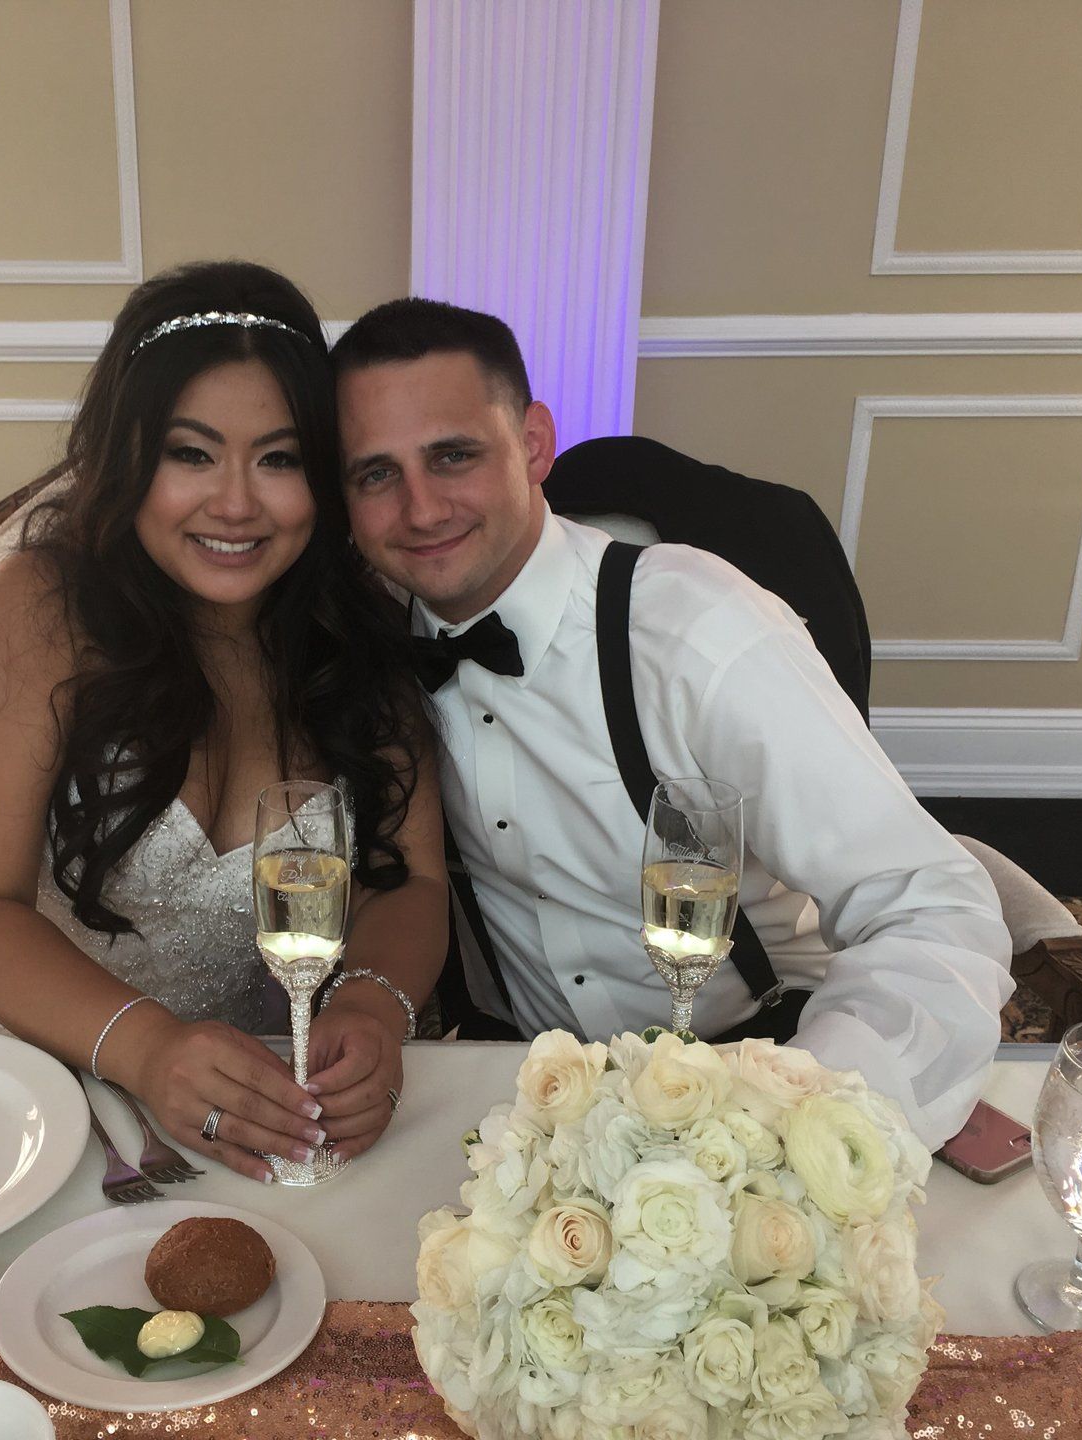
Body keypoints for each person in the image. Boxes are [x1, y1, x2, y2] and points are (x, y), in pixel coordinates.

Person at [0, 262, 447, 1180]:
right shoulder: (25, 617)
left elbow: (409, 880)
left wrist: (373, 1007)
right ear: (128, 457)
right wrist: (145, 1050)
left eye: (280, 458)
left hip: (238, 1084)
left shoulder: (352, 631)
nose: (236, 502)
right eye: (191, 453)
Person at [331, 298, 1012, 1148]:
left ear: (534, 444)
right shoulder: (365, 649)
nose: (421, 509)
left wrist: (812, 1119)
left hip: (761, 1065)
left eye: (454, 455)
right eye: (376, 474)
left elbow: (930, 902)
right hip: (527, 1096)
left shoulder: (696, 631)